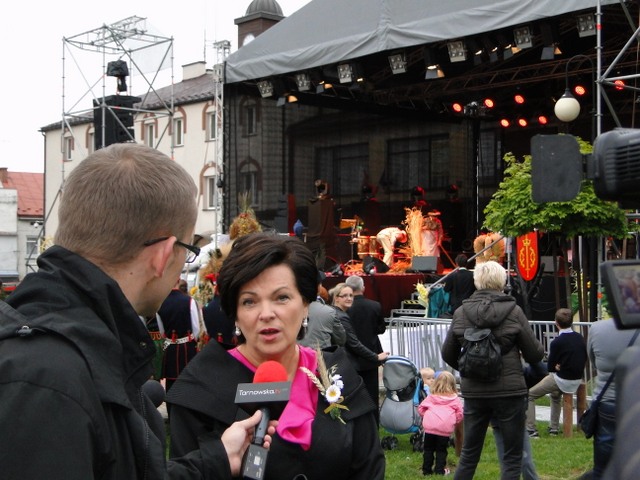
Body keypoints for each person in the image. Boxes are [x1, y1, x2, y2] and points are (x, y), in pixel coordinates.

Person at [0, 143, 275, 479]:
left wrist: (214, 461)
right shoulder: (48, 379)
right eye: (187, 250)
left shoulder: (77, 348)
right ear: (163, 255)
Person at [167, 233, 386, 479]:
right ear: (235, 313)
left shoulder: (337, 373)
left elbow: (370, 467)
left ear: (305, 304)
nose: (266, 313)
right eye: (249, 301)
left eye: (282, 297)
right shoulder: (201, 387)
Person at [441, 260, 544, 479]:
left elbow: (448, 353)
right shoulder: (514, 311)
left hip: (475, 391)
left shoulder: (461, 313)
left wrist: (469, 367)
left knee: (469, 455)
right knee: (512, 458)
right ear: (502, 281)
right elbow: (535, 354)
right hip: (509, 391)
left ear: (477, 281)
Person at [584, 318, 639, 478]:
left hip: (607, 403)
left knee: (602, 467)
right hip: (635, 403)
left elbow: (594, 362)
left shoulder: (597, 329)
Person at [526, 308, 587, 438]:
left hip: (562, 379)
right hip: (577, 378)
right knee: (555, 394)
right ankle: (553, 428)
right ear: (571, 322)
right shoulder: (579, 338)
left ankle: (531, 429)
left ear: (556, 323)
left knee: (529, 395)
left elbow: (550, 367)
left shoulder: (557, 342)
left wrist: (558, 366)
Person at [329, 282, 389, 411]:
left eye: (351, 295)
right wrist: (376, 357)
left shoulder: (338, 313)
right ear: (336, 298)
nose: (349, 298)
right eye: (345, 295)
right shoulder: (340, 316)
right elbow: (353, 343)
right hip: (349, 364)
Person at [345, 274, 386, 422]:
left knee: (352, 394)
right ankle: (373, 425)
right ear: (363, 288)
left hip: (350, 357)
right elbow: (381, 329)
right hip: (370, 355)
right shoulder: (374, 306)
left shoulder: (345, 309)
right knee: (371, 394)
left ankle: (355, 424)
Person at [159, 277, 201, 394]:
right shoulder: (189, 301)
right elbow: (196, 328)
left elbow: (161, 330)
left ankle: (170, 404)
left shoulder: (161, 302)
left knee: (170, 382)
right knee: (188, 380)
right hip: (187, 347)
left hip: (170, 347)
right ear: (178, 282)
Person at [418, 371, 463, 476]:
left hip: (430, 427)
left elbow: (421, 408)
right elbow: (460, 414)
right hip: (444, 429)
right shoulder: (455, 399)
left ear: (436, 383)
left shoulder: (431, 397)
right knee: (441, 450)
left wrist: (427, 415)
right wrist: (453, 420)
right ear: (453, 385)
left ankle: (426, 470)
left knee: (428, 449)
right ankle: (439, 470)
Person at [299, 282, 346, 349]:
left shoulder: (290, 309)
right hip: (321, 352)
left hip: (297, 352)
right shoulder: (330, 311)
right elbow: (341, 339)